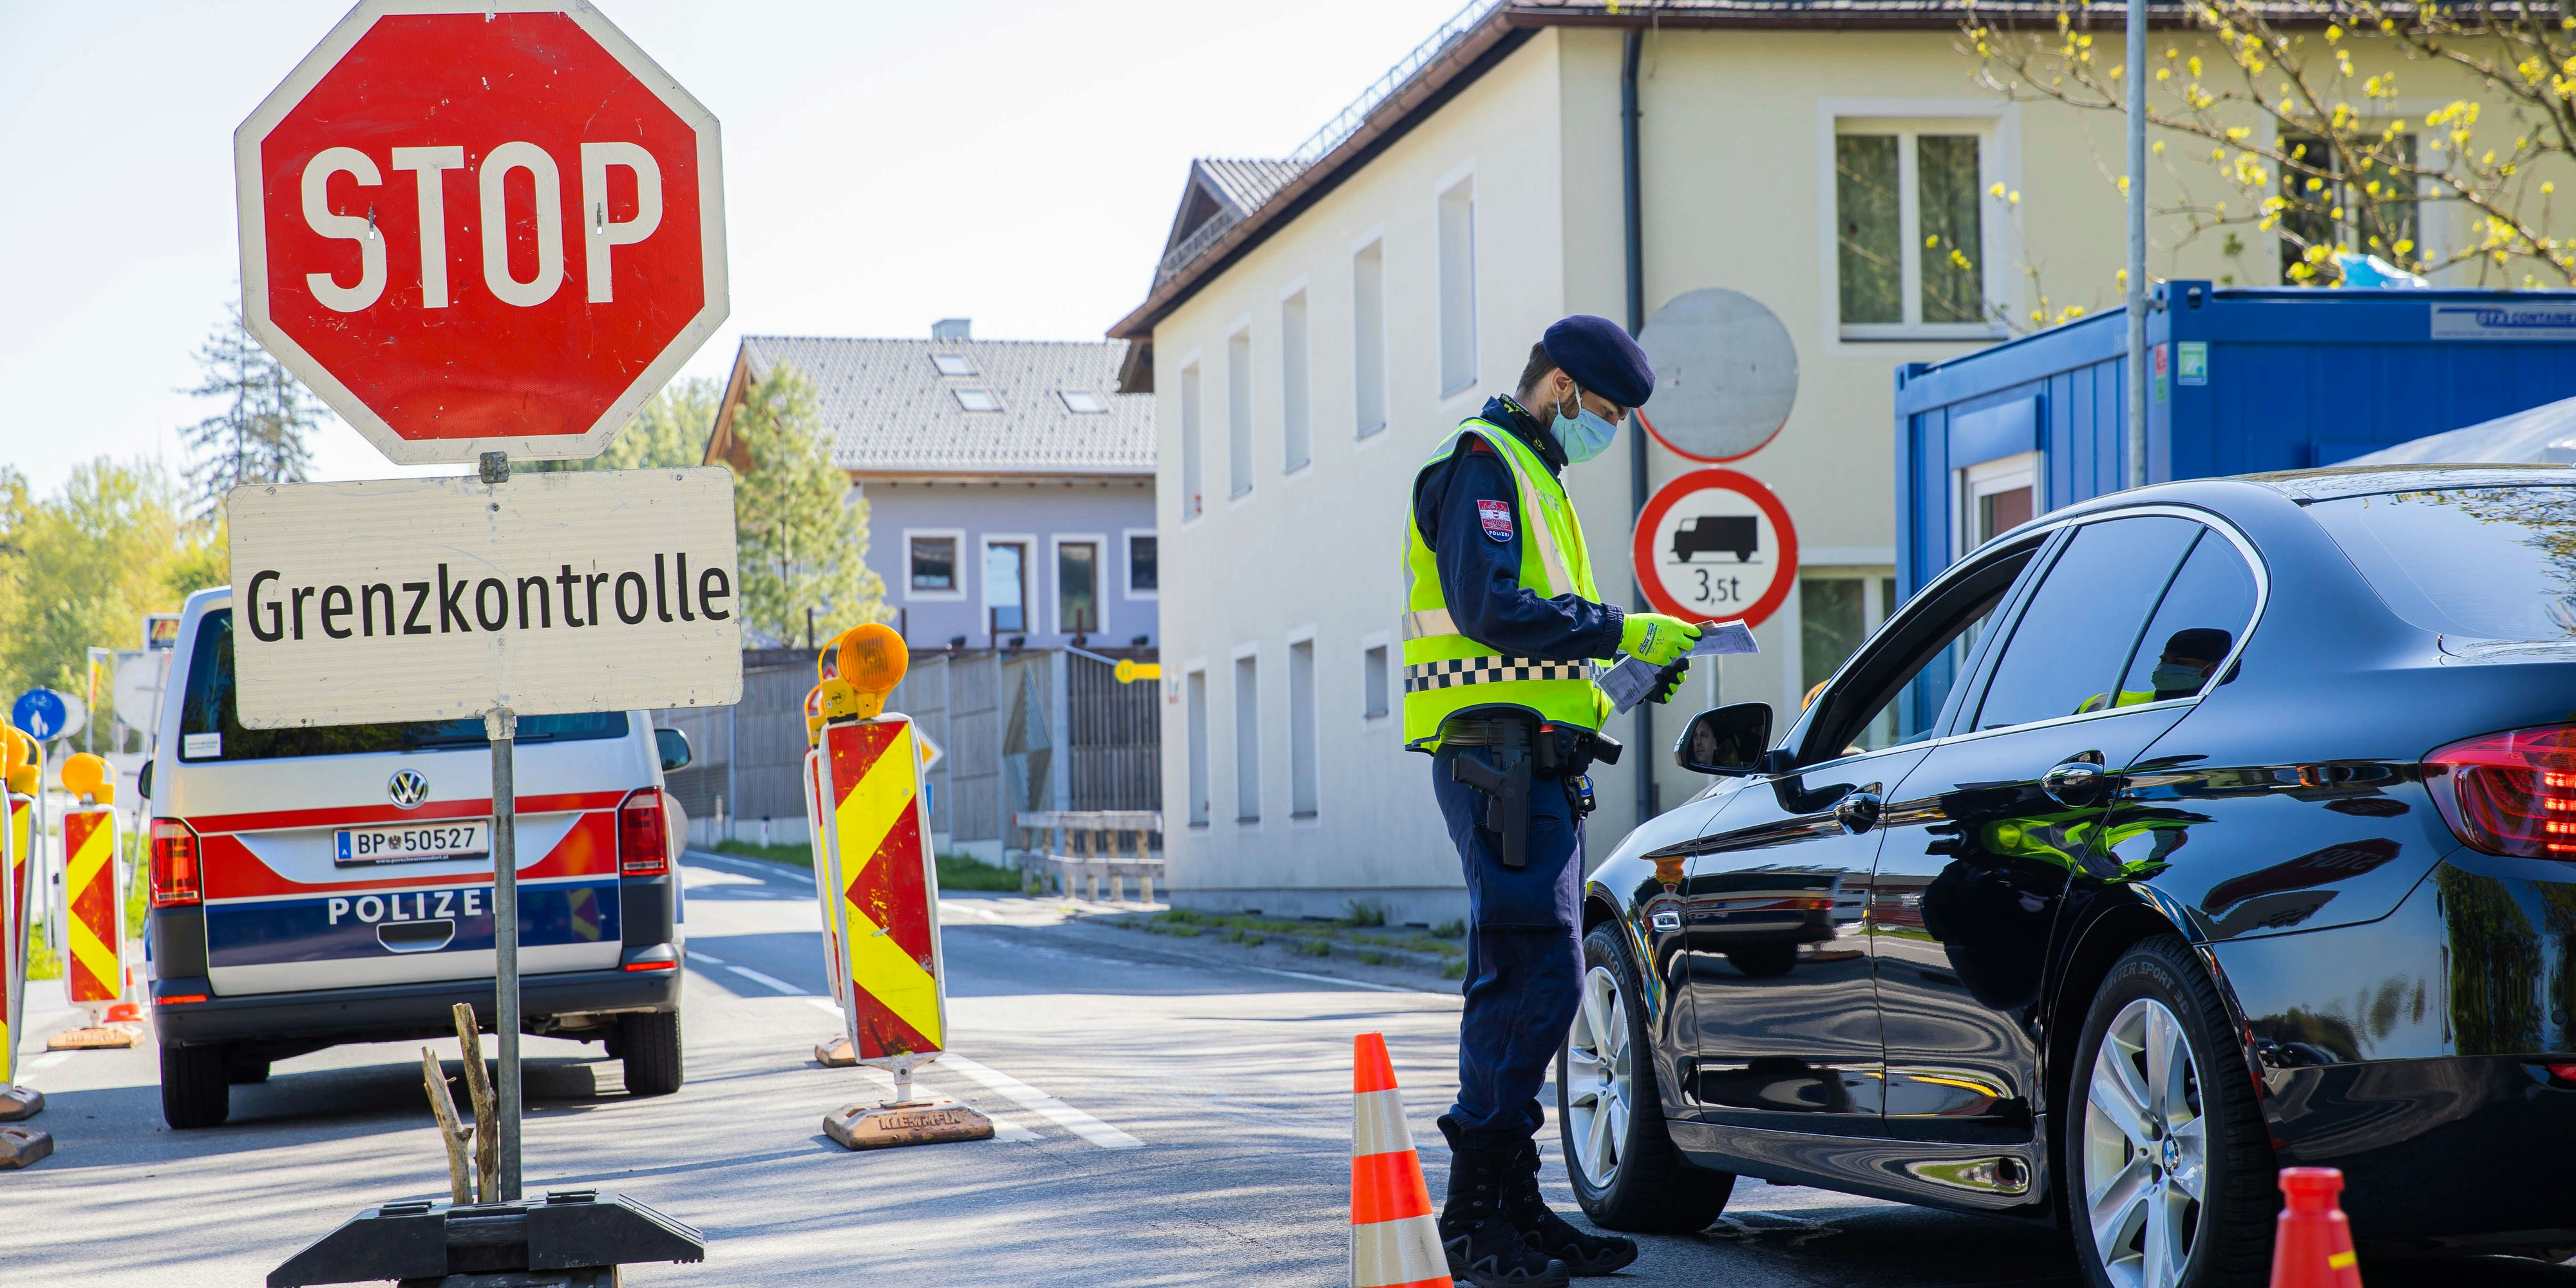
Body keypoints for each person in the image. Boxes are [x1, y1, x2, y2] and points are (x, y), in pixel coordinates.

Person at [1403, 314, 1703, 1287]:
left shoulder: (1538, 475)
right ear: (1563, 387)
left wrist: (1624, 673)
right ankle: (1473, 1220)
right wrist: (1621, 629)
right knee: (1528, 973)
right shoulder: (1482, 463)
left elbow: (1539, 648)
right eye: (1605, 412)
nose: (1607, 431)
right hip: (1496, 762)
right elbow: (1489, 609)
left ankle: (1514, 1207)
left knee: (1545, 976)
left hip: (1537, 764)